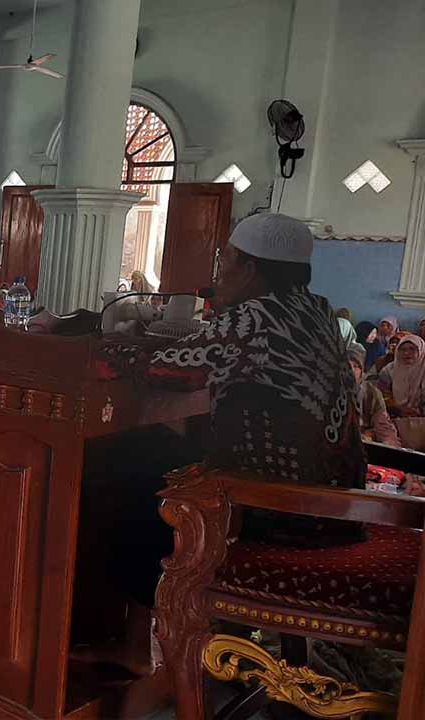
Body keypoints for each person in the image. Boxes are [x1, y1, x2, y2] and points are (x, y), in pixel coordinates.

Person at [96, 213, 365, 674]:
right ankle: (212, 639)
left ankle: (141, 646)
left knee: (122, 466)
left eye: (226, 261)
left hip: (274, 510)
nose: (219, 272)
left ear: (251, 269)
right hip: (333, 508)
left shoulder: (255, 315)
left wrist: (109, 347)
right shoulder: (317, 311)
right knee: (155, 453)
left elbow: (171, 370)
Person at [349, 344, 401, 447]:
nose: (351, 370)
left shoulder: (371, 392)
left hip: (363, 442)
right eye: (346, 366)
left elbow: (383, 424)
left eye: (356, 366)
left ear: (362, 371)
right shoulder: (326, 390)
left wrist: (389, 445)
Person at [378, 334, 425, 417]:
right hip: (394, 416)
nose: (407, 353)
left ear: (421, 350)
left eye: (412, 349)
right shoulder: (388, 370)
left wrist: (419, 411)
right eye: (403, 349)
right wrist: (398, 410)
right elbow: (381, 395)